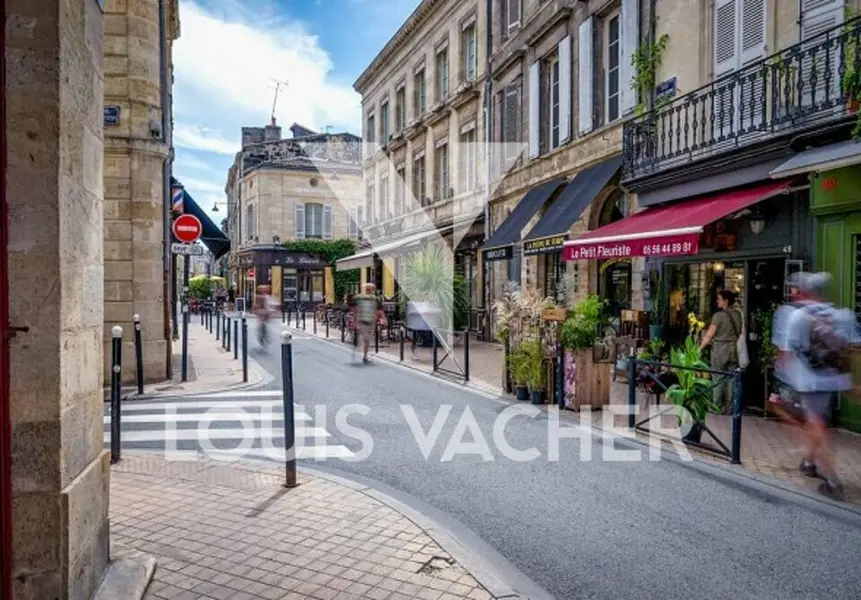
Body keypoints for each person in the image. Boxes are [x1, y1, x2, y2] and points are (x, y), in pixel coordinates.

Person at [780, 272, 856, 500]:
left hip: (809, 381)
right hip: (835, 379)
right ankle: (809, 462)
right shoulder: (842, 316)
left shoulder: (798, 317)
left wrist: (784, 378)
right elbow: (852, 347)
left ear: (804, 291)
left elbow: (786, 353)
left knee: (815, 426)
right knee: (818, 423)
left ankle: (833, 482)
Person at [699, 290, 744, 413]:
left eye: (719, 299)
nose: (717, 301)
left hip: (720, 349)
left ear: (726, 301)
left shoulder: (718, 316)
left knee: (718, 377)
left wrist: (699, 348)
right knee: (731, 378)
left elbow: (709, 335)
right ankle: (730, 408)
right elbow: (740, 331)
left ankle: (716, 407)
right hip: (733, 349)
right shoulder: (738, 315)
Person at [354, 284, 380, 364]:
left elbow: (375, 311)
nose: (370, 291)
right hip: (363, 322)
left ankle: (365, 355)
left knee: (368, 340)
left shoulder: (374, 300)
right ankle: (365, 357)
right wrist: (357, 323)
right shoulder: (362, 299)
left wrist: (375, 321)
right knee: (367, 340)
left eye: (371, 289)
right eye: (368, 289)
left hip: (371, 322)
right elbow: (357, 309)